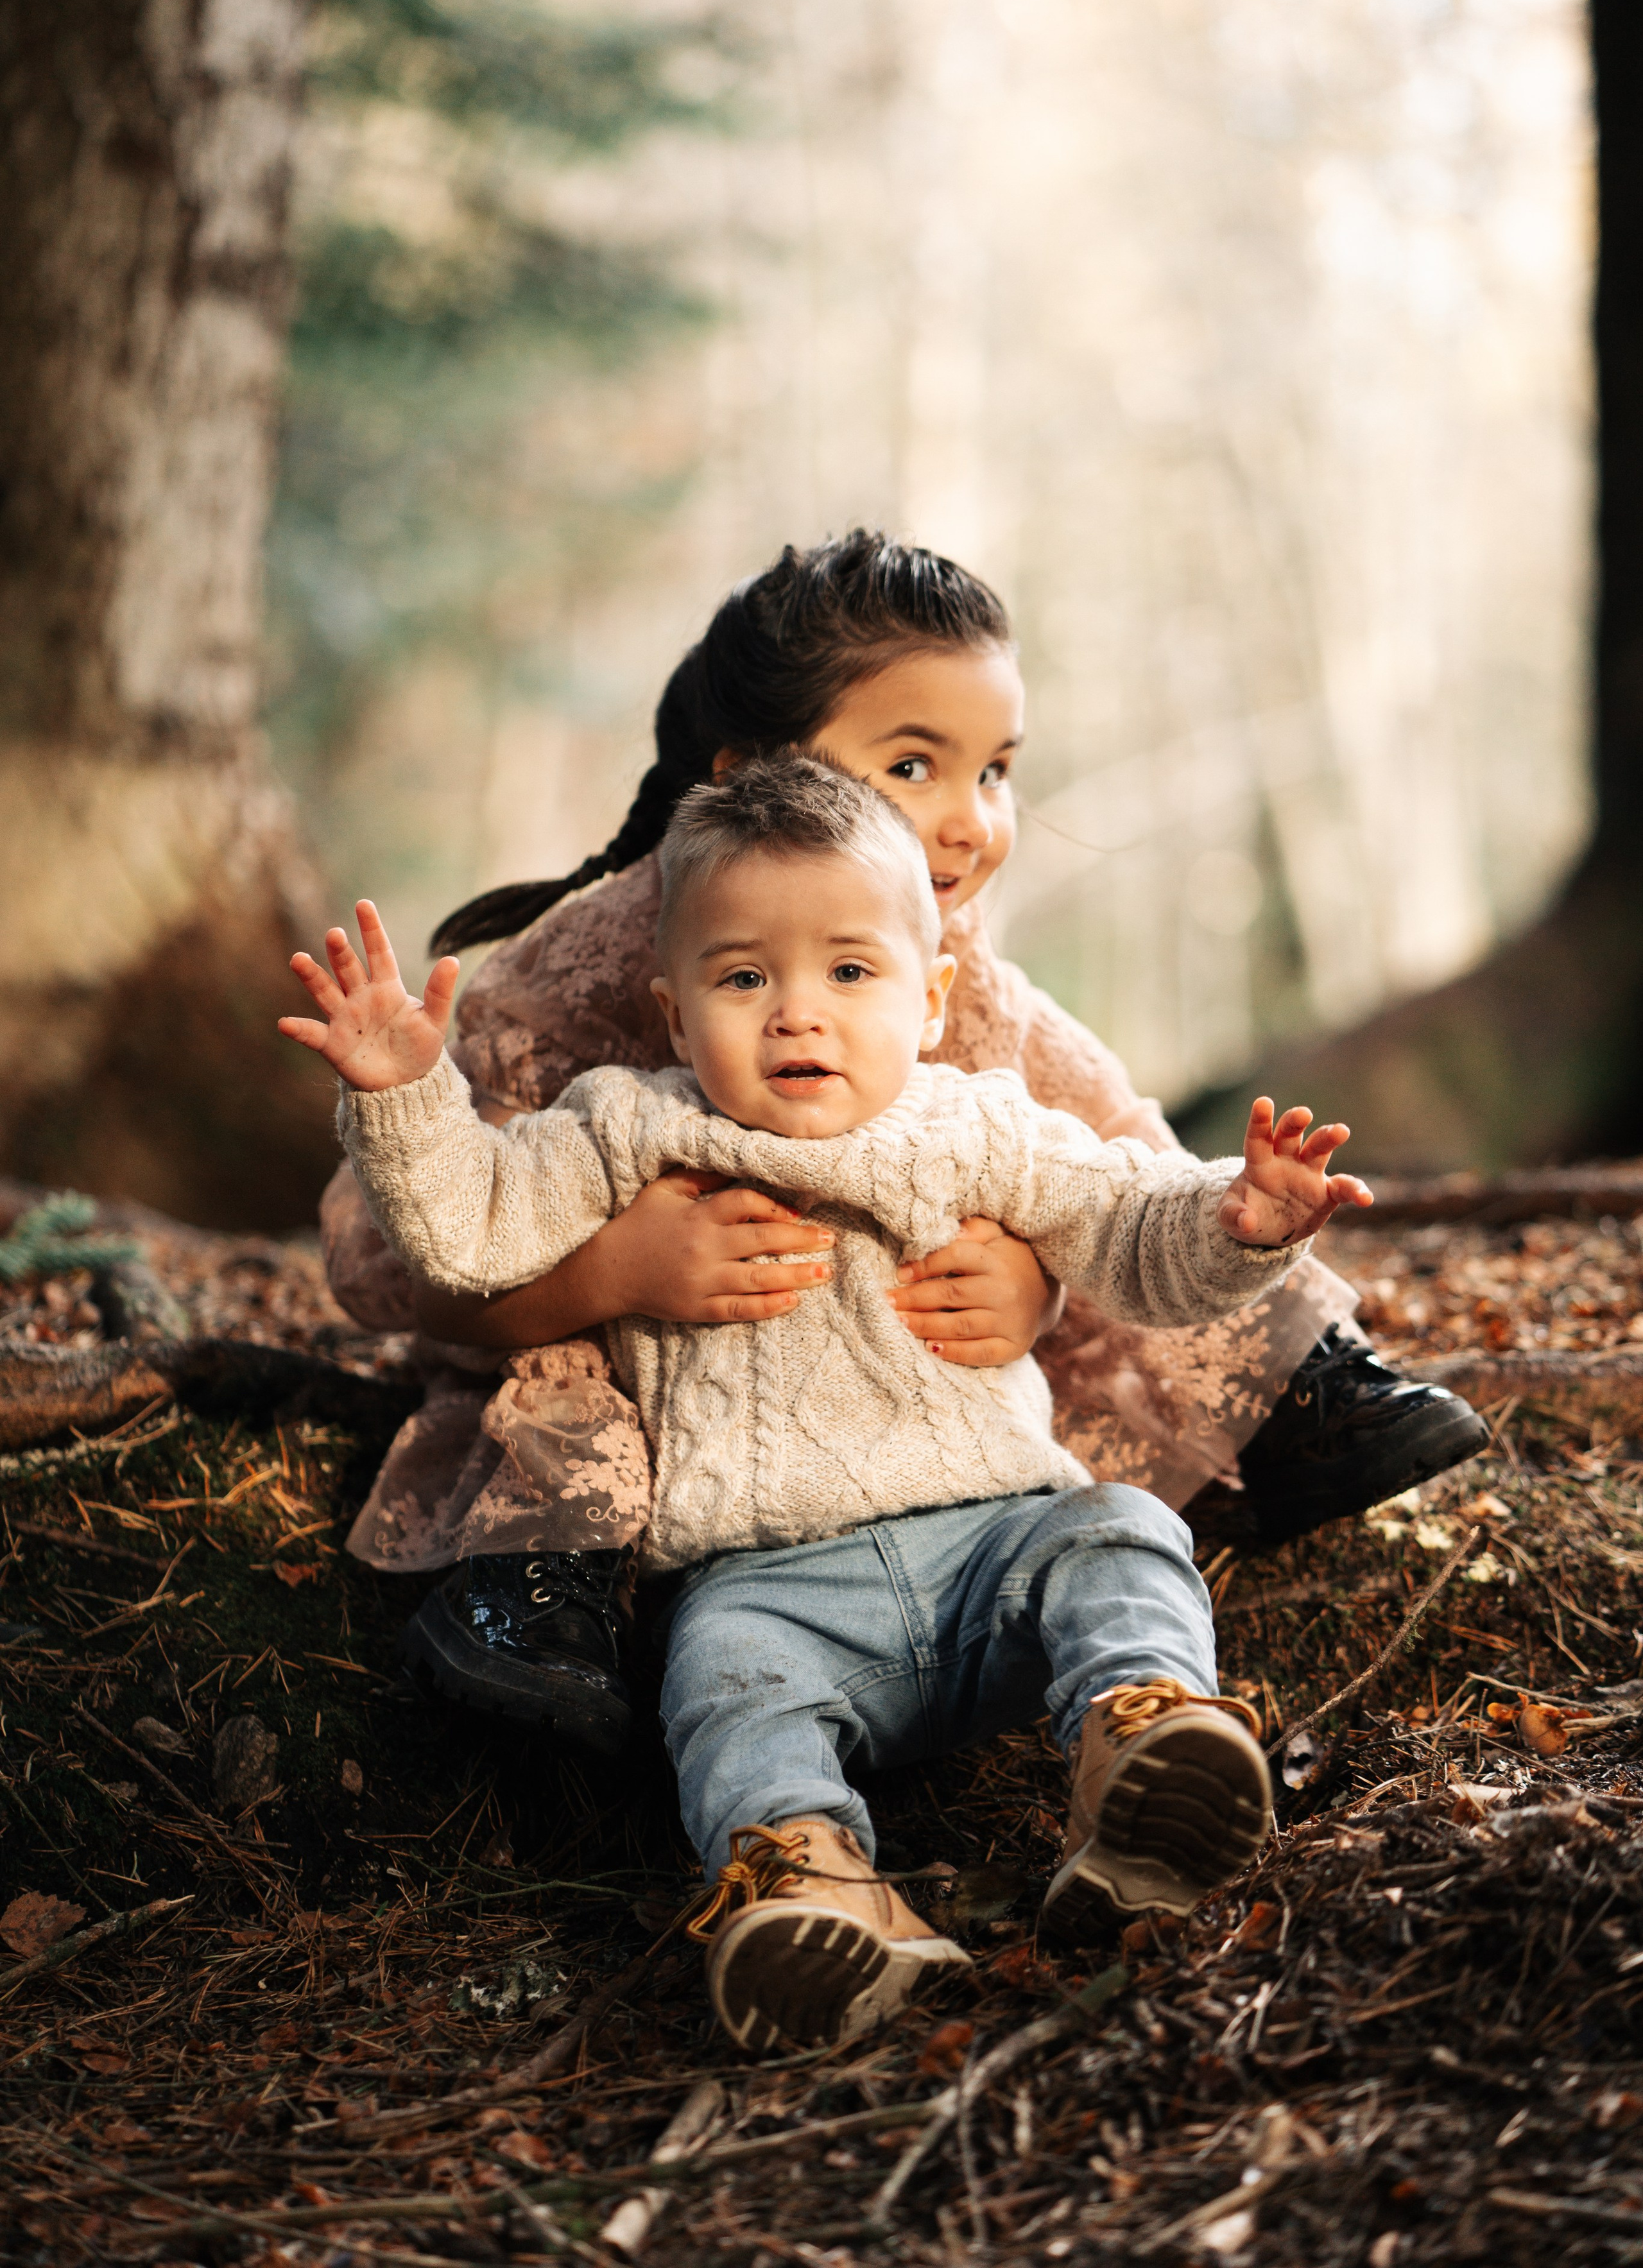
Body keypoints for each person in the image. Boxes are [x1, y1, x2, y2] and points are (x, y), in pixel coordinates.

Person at [317, 531, 1486, 1757]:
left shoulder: (945, 958)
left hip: (899, 1375)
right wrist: (610, 1275)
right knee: (567, 1394)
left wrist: (1044, 1288)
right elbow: (406, 1260)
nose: (970, 822)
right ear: (753, 777)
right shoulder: (588, 968)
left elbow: (1113, 1144)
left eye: (995, 772)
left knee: (1108, 1210)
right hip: (655, 1363)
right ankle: (547, 1592)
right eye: (917, 764)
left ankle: (1295, 1397)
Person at [282, 756, 1375, 2050]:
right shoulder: (630, 1128)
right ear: (677, 1015)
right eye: (744, 977)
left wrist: (1238, 1222)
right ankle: (802, 1872)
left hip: (993, 1552)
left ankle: (1139, 1734)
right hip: (770, 1585)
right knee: (717, 1682)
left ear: (929, 1001)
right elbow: (468, 1233)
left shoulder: (977, 1124)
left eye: (849, 973)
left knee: (1120, 1531)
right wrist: (405, 1095)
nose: (797, 1014)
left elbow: (1133, 1235)